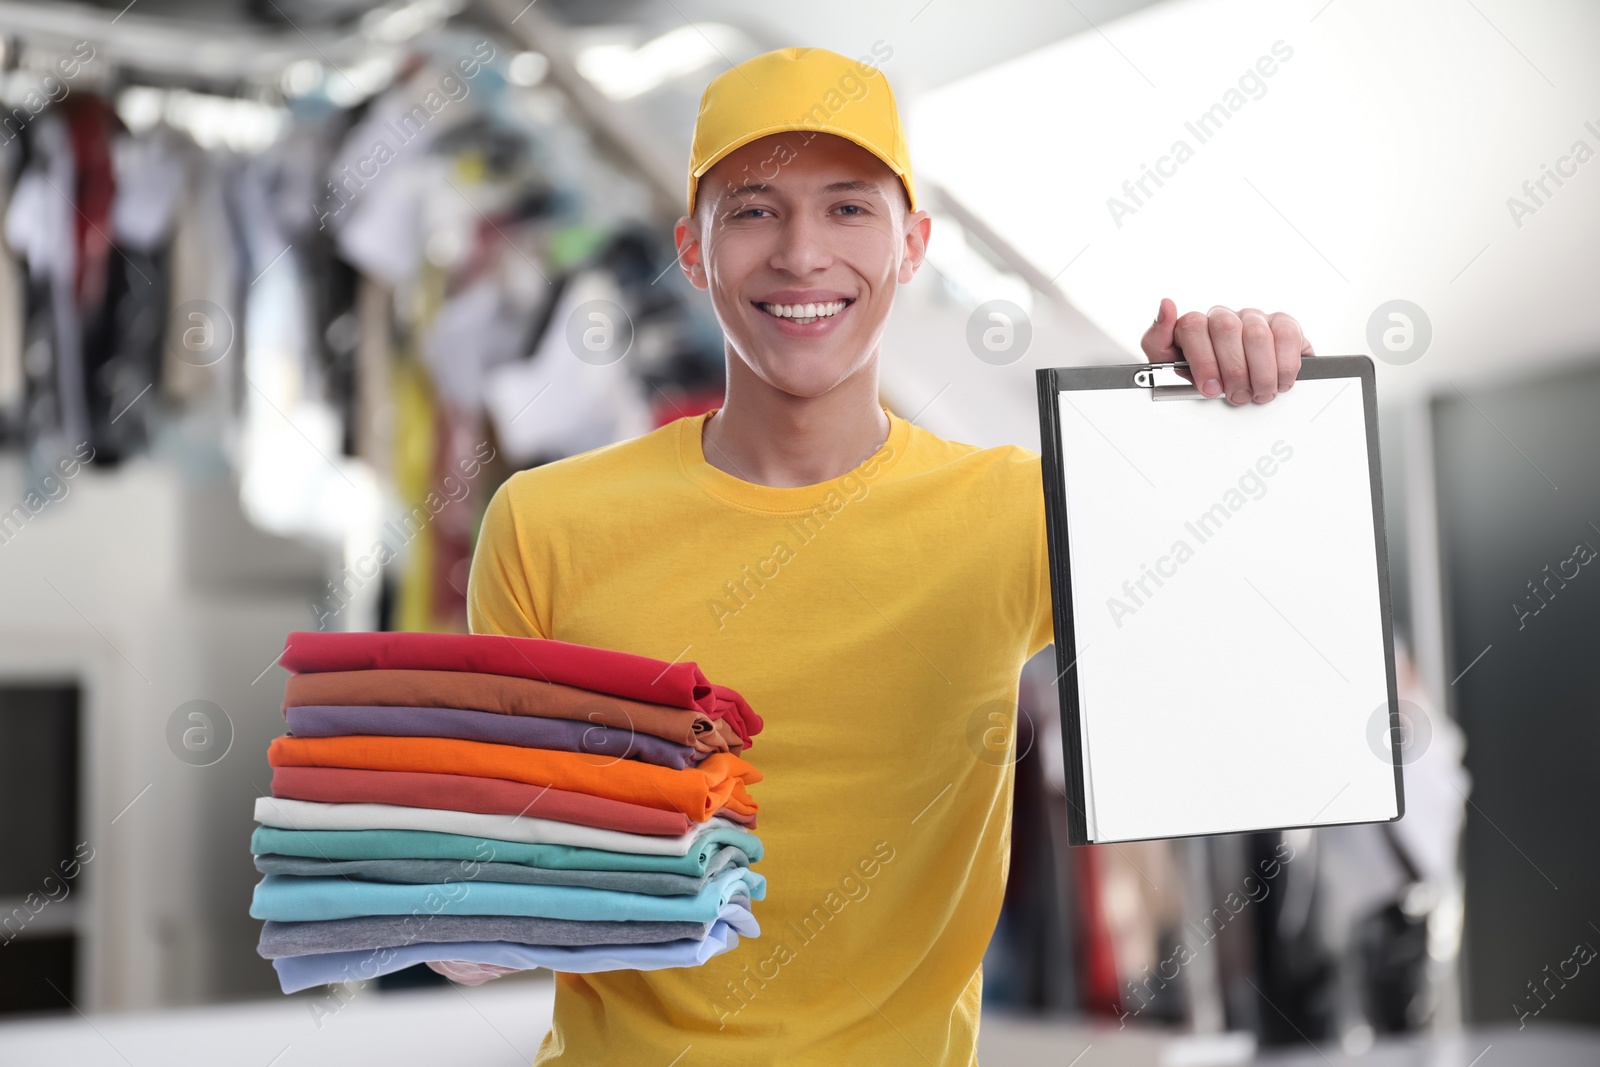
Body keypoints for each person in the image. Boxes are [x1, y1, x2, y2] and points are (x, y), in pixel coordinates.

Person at [434, 46, 1314, 1065]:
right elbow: (480, 904)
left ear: (912, 244)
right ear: (690, 249)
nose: (802, 253)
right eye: (754, 209)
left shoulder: (1014, 510)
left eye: (848, 207)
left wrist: (1216, 414)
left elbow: (1260, 676)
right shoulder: (544, 523)